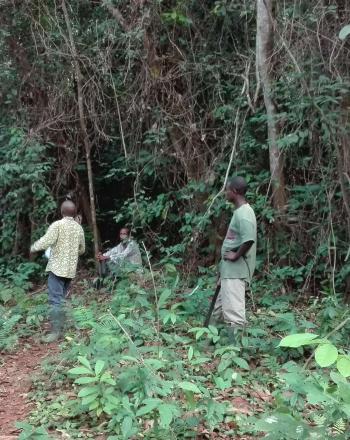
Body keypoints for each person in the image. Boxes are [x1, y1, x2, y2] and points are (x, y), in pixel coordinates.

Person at [30, 201, 85, 342]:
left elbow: (46, 241)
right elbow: (82, 249)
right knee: (61, 299)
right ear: (74, 213)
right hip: (70, 271)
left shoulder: (58, 225)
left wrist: (33, 247)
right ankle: (64, 328)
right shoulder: (79, 229)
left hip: (56, 269)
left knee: (55, 301)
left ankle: (55, 333)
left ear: (62, 211)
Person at [213, 176, 257, 344]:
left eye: (227, 190)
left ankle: (235, 351)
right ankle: (212, 343)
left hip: (236, 272)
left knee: (234, 315)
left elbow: (248, 239)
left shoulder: (244, 214)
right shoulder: (239, 212)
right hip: (228, 272)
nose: (225, 193)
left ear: (235, 192)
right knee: (218, 311)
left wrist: (235, 255)